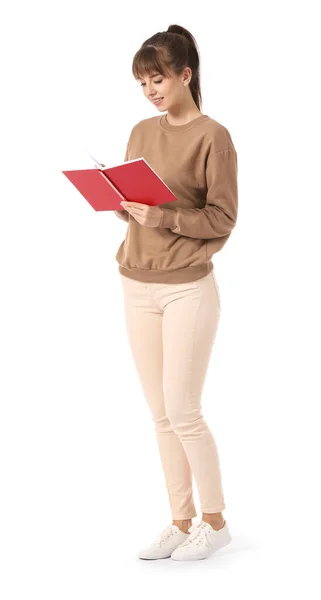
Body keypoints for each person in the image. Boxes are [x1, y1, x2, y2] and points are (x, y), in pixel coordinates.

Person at [114, 24, 238, 561]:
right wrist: (118, 203)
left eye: (158, 78)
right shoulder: (141, 130)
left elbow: (222, 218)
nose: (151, 91)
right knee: (160, 414)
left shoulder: (214, 136)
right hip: (136, 282)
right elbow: (134, 203)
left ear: (186, 74)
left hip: (188, 287)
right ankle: (180, 519)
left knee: (185, 411)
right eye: (143, 82)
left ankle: (215, 521)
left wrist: (163, 219)